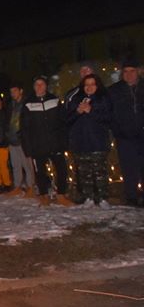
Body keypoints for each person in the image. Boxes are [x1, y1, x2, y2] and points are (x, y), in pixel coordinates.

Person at [21, 76, 75, 206]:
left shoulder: (54, 100)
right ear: (34, 87)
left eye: (42, 84)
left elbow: (63, 122)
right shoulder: (28, 104)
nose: (39, 87)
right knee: (40, 172)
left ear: (46, 86)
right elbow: (25, 128)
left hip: (55, 143)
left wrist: (63, 141)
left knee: (62, 170)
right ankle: (44, 195)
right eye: (37, 85)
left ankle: (61, 195)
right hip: (38, 145)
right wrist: (28, 148)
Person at [65, 74, 114, 207]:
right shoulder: (76, 99)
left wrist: (91, 110)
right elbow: (67, 119)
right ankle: (89, 197)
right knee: (84, 172)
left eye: (92, 84)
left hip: (98, 142)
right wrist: (77, 112)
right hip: (80, 142)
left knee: (100, 172)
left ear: (97, 86)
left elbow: (108, 119)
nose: (89, 87)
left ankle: (102, 198)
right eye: (87, 84)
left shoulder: (103, 98)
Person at [108, 59, 144, 206]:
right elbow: (109, 113)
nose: (129, 74)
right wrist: (118, 129)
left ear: (138, 72)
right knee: (128, 167)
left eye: (132, 71)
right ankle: (131, 196)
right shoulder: (114, 90)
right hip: (124, 135)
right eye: (126, 71)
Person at [7, 82, 36, 196]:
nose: (13, 94)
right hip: (12, 138)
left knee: (27, 164)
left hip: (23, 139)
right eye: (11, 92)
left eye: (15, 91)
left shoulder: (27, 104)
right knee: (16, 164)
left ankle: (31, 186)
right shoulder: (11, 104)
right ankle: (17, 185)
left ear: (21, 91)